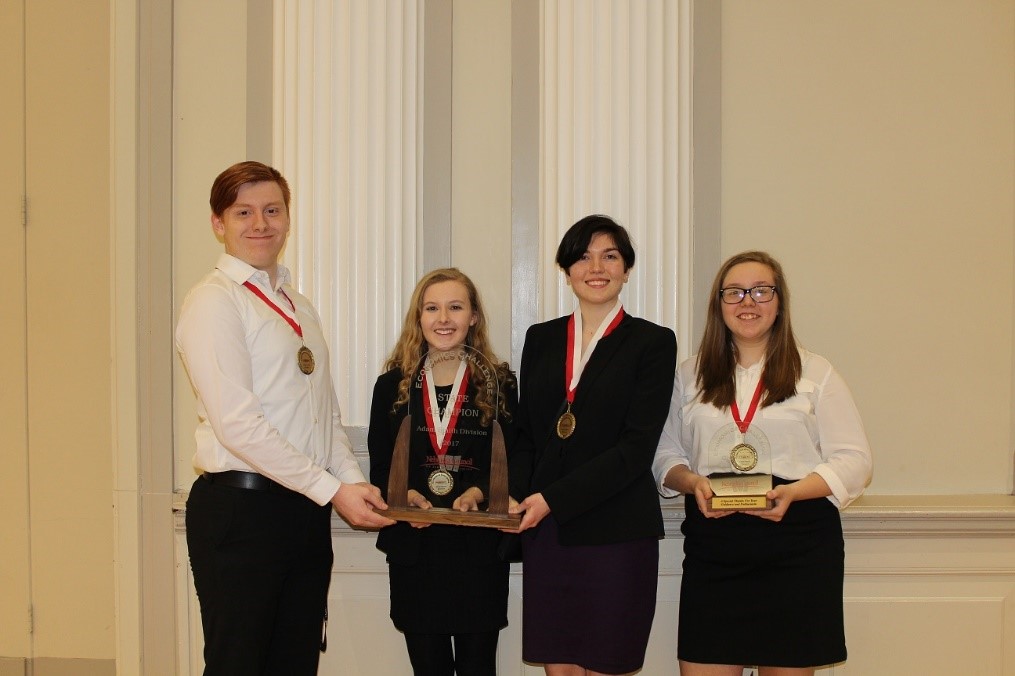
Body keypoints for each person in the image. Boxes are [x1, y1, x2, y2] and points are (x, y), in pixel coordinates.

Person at [176, 160, 394, 675]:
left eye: (272, 210)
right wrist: (331, 489)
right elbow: (238, 425)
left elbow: (324, 415)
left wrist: (353, 482)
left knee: (294, 663)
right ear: (218, 223)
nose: (260, 224)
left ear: (287, 219)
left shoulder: (296, 302)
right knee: (239, 664)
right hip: (241, 509)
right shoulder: (214, 301)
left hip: (301, 510)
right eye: (243, 212)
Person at [652, 250, 874, 675]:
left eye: (761, 291)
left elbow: (856, 461)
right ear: (718, 305)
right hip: (715, 549)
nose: (747, 302)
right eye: (734, 292)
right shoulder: (690, 374)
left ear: (780, 302)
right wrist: (692, 482)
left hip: (797, 547)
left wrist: (793, 490)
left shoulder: (816, 372)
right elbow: (665, 455)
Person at [509, 215, 677, 676]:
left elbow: (636, 449)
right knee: (559, 667)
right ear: (567, 269)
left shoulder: (653, 343)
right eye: (583, 256)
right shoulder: (540, 338)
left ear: (626, 269)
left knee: (606, 665)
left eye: (610, 256)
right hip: (548, 532)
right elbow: (526, 433)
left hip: (617, 531)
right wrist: (515, 495)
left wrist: (550, 499)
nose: (596, 267)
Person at [368, 267, 519, 676]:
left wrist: (481, 493)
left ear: (473, 317)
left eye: (456, 307)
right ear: (418, 318)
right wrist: (404, 497)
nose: (444, 318)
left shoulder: (499, 383)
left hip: (479, 551)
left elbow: (515, 461)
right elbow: (381, 465)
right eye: (432, 308)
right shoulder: (391, 385)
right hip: (415, 552)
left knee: (478, 668)